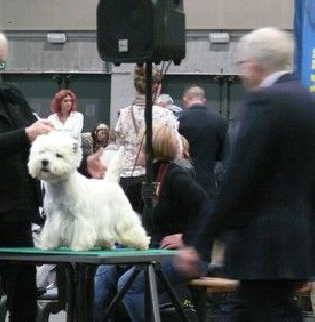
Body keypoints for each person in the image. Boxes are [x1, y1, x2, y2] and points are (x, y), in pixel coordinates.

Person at [0, 14, 104, 321]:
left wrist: (79, 161)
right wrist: (26, 133)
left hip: (16, 212)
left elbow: (44, 146)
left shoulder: (9, 96)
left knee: (25, 298)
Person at [175, 27, 315, 321]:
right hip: (293, 248)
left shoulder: (264, 102)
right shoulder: (306, 101)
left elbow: (237, 180)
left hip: (262, 250)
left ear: (253, 65)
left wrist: (200, 245)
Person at [94, 125, 208, 322]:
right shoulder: (149, 178)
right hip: (154, 250)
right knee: (103, 273)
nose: (136, 148)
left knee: (129, 286)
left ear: (149, 148)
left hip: (187, 254)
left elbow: (207, 206)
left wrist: (186, 238)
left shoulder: (175, 176)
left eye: (139, 144)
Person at [115, 64, 178, 213]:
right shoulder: (166, 115)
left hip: (127, 178)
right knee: (151, 226)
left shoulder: (123, 114)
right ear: (156, 87)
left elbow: (120, 146)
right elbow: (174, 149)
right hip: (155, 178)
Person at [178, 85, 229, 201]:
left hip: (182, 182)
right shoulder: (219, 121)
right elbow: (224, 155)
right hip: (209, 183)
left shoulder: (177, 120)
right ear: (204, 101)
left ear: (185, 100)